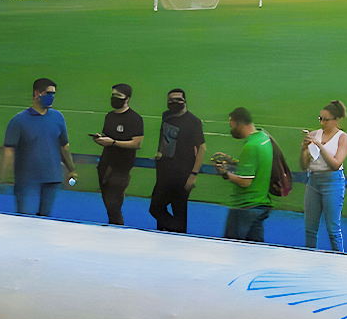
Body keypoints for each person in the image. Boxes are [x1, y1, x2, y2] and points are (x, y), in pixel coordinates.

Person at [1, 78, 74, 217]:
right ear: (36, 93)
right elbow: (9, 151)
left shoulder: (58, 117)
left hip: (52, 179)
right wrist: (4, 176)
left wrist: (72, 169)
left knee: (45, 222)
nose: (51, 97)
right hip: (28, 181)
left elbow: (64, 146)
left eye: (53, 94)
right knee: (26, 221)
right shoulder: (19, 120)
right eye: (48, 93)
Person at [213, 107, 273, 242]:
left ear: (239, 123)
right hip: (260, 204)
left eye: (231, 123)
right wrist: (233, 162)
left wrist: (225, 174)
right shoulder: (264, 138)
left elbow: (246, 182)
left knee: (232, 246)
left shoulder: (250, 147)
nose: (230, 127)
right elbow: (257, 165)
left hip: (244, 206)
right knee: (255, 249)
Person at [149, 88, 204, 233]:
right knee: (155, 208)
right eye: (170, 100)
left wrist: (193, 175)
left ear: (185, 101)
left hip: (183, 174)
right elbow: (165, 137)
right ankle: (172, 232)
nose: (173, 103)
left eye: (177, 99)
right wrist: (160, 152)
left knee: (179, 209)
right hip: (164, 172)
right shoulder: (166, 116)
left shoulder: (194, 122)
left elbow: (202, 149)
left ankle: (178, 234)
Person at [89, 83, 143, 225]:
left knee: (114, 205)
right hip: (105, 164)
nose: (114, 99)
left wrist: (113, 142)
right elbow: (107, 138)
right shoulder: (110, 116)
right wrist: (100, 139)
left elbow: (136, 143)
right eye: (113, 95)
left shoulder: (135, 119)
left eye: (118, 96)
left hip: (121, 168)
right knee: (108, 203)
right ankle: (113, 227)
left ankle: (117, 229)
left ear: (127, 98)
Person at [301, 100, 347, 251]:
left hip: (332, 183)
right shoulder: (315, 134)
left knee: (333, 229)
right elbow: (304, 165)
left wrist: (320, 146)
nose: (322, 123)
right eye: (320, 118)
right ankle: (309, 256)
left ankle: (339, 258)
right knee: (310, 228)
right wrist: (304, 150)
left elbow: (335, 165)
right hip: (314, 181)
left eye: (326, 120)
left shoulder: (343, 138)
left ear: (335, 120)